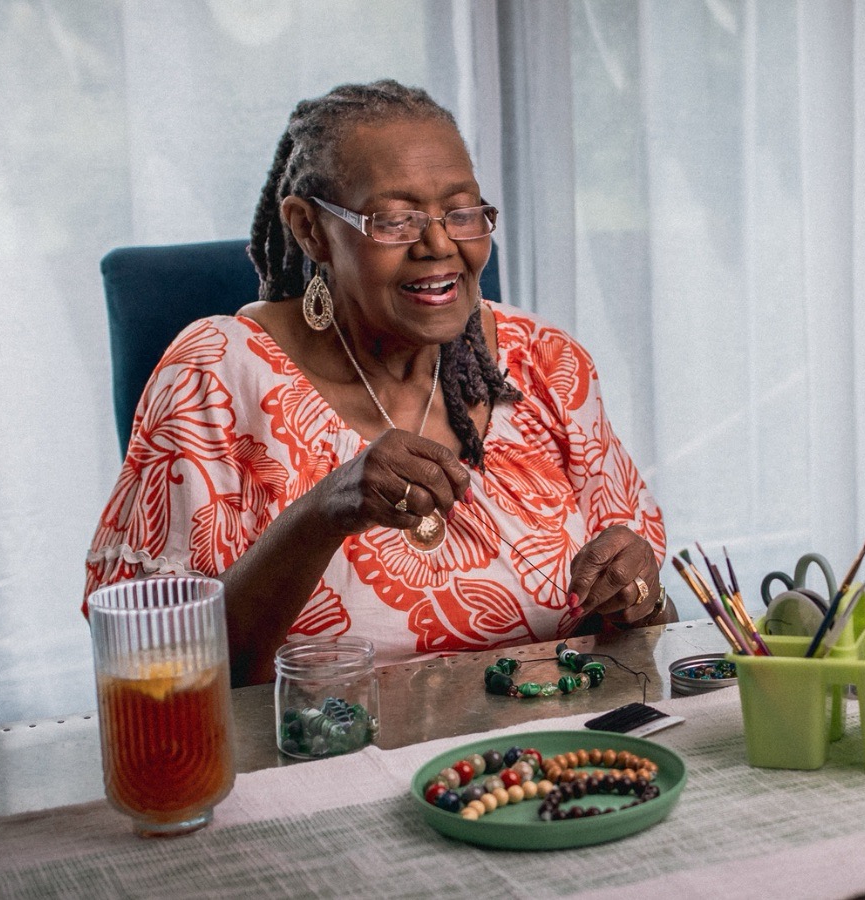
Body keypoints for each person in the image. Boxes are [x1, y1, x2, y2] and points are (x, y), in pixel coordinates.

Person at [85, 80, 672, 686]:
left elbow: (646, 633)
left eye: (462, 213)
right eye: (396, 220)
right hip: (322, 762)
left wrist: (639, 599)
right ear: (310, 230)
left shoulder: (547, 364)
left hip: (546, 761)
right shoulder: (214, 373)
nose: (440, 245)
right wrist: (323, 514)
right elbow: (153, 670)